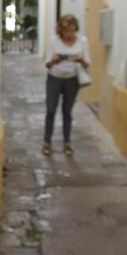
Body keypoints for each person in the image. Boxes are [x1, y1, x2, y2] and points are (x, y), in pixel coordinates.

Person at [42, 14, 90, 156]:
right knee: (51, 110)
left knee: (67, 111)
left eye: (72, 31)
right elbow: (47, 63)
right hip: (55, 78)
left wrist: (80, 60)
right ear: (61, 31)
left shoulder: (82, 41)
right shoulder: (54, 41)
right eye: (66, 31)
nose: (69, 34)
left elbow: (88, 63)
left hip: (72, 80)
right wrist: (55, 61)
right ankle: (47, 142)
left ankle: (67, 142)